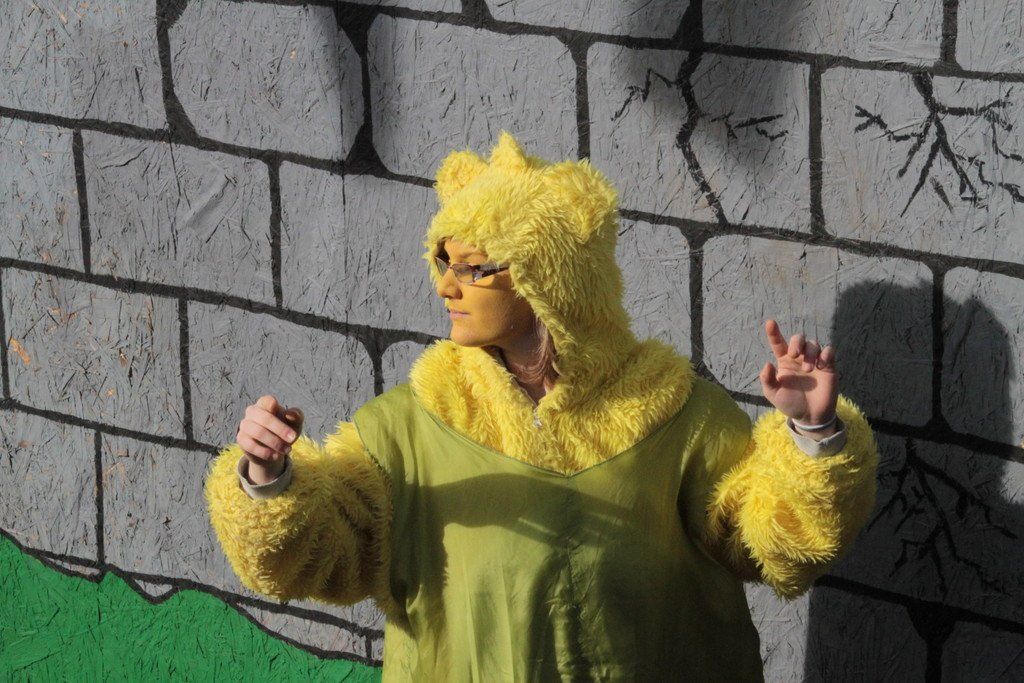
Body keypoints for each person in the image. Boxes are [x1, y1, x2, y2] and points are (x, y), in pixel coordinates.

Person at [204, 131, 879, 681]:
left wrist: (812, 431)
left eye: (474, 267)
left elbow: (778, 548)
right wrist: (269, 480)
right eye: (443, 261)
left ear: (549, 279)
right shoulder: (410, 426)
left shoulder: (673, 412)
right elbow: (318, 558)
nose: (446, 286)